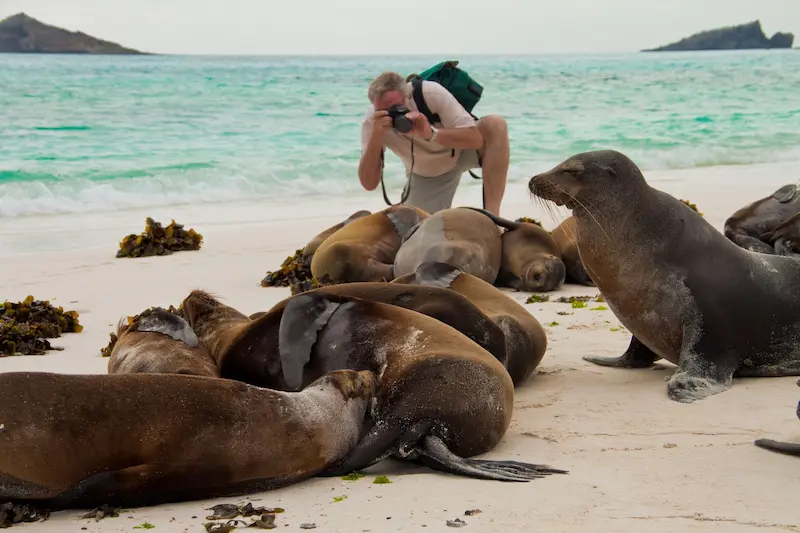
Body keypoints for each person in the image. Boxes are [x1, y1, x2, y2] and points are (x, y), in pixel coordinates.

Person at [358, 71, 510, 216]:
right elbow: (369, 184)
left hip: (460, 149)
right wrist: (376, 137)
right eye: (384, 111)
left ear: (407, 96)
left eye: (396, 108)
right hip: (429, 173)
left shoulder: (430, 93)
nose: (392, 116)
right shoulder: (373, 122)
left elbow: (475, 139)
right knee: (413, 229)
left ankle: (493, 217)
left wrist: (430, 133)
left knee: (495, 124)